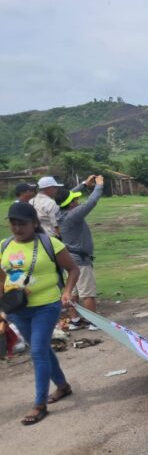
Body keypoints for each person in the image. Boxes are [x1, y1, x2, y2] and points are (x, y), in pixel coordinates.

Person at [0, 202, 79, 425]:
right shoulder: (4, 246)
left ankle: (39, 404)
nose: (17, 228)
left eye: (22, 224)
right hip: (17, 309)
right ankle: (62, 386)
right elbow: (1, 278)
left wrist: (67, 291)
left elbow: (73, 269)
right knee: (41, 349)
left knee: (36, 352)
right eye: (13, 224)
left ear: (34, 223)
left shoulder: (49, 243)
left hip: (46, 306)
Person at [55, 174, 104, 331]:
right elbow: (92, 202)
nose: (77, 202)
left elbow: (67, 195)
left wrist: (84, 184)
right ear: (71, 205)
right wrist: (99, 185)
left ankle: (75, 319)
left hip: (69, 258)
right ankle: (93, 322)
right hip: (80, 260)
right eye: (75, 200)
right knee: (87, 292)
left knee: (72, 291)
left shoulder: (59, 212)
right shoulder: (73, 215)